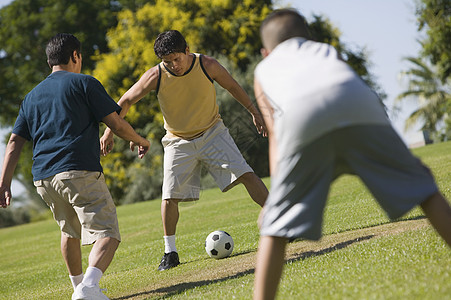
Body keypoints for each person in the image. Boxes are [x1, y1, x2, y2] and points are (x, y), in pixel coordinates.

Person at [252, 9, 451, 300]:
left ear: (265, 52)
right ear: (308, 37)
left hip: (300, 118)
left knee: (276, 228)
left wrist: (276, 200)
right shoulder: (325, 50)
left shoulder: (263, 70)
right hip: (357, 106)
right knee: (425, 189)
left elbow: (276, 135)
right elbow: (349, 90)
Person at [100, 30, 269, 271]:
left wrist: (254, 112)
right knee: (169, 196)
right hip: (177, 141)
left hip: (213, 133)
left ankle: (281, 222)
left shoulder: (207, 65)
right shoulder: (155, 75)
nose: (173, 65)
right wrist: (108, 132)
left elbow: (232, 86)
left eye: (177, 59)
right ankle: (170, 252)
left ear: (187, 50)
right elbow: (125, 100)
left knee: (246, 174)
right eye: (167, 61)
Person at [0, 33, 150, 300]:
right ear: (75, 56)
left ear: (49, 62)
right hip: (77, 170)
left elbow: (13, 142)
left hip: (44, 179)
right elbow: (115, 123)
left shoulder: (31, 97)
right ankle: (88, 288)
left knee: (70, 231)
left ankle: (80, 288)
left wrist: (3, 183)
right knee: (108, 233)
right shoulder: (85, 83)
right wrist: (140, 139)